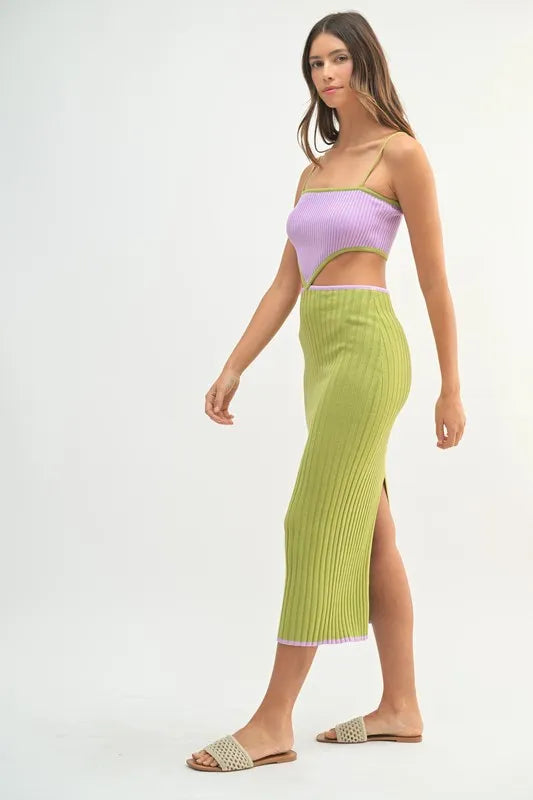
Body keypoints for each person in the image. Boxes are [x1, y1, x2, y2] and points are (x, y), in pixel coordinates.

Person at [187, 10, 466, 773]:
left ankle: (272, 719)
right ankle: (400, 706)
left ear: (365, 61)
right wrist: (234, 365)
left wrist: (450, 387)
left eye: (338, 58)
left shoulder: (400, 153)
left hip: (370, 354)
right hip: (319, 356)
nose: (327, 74)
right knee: (373, 533)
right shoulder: (313, 171)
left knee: (310, 518)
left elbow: (435, 282)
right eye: (315, 64)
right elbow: (285, 283)